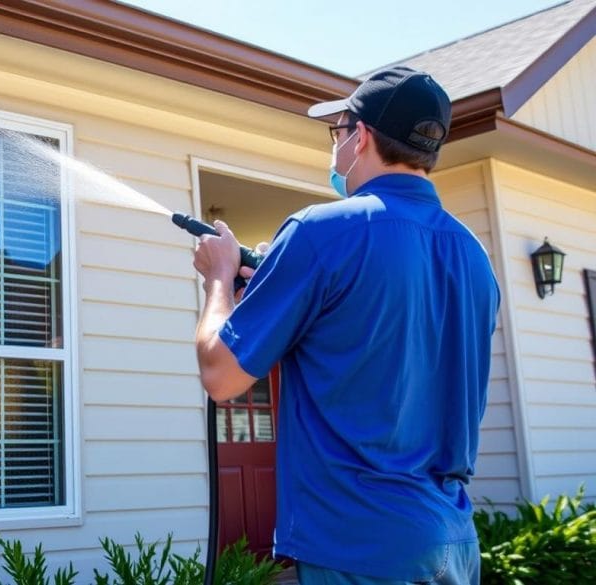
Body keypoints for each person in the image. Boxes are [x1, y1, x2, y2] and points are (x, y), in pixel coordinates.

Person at [192, 66, 500, 585]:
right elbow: (375, 340)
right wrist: (278, 290)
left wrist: (219, 280)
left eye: (337, 130)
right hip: (452, 545)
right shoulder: (474, 256)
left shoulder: (322, 230)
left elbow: (221, 375)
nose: (335, 146)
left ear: (360, 138)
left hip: (358, 548)